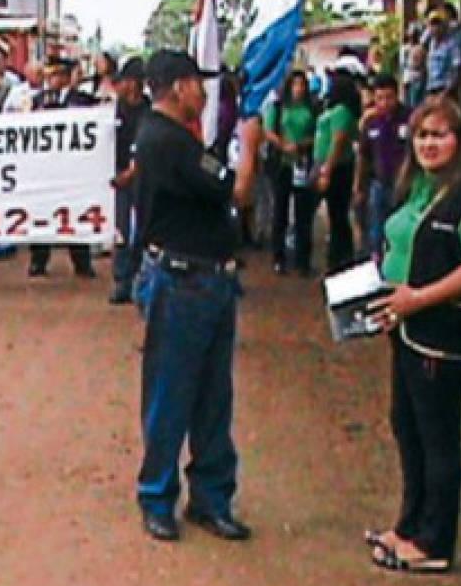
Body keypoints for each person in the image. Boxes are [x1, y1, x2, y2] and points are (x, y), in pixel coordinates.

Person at [367, 96, 461, 573]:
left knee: (437, 436)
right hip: (406, 327)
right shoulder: (420, 187)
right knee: (407, 428)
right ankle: (409, 525)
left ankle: (435, 542)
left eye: (439, 134)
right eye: (422, 134)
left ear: (460, 139)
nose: (429, 144)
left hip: (442, 333)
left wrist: (419, 299)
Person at [131, 50, 260, 543]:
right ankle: (158, 495)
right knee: (173, 394)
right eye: (198, 84)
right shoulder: (166, 143)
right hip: (184, 281)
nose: (204, 94)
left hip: (205, 279)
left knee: (211, 396)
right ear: (179, 86)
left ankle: (209, 497)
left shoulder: (173, 140)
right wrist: (249, 145)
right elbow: (236, 191)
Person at [29, 57, 97, 279]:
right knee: (41, 214)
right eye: (49, 75)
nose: (52, 80)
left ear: (66, 77)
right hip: (45, 168)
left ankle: (81, 262)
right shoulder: (38, 100)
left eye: (56, 75)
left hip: (73, 169)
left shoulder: (83, 100)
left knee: (75, 213)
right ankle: (38, 260)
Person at [263, 71, 317, 276]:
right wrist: (283, 145)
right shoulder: (277, 108)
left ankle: (303, 260)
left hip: (303, 163)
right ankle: (279, 257)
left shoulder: (312, 108)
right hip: (282, 165)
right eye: (295, 85)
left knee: (304, 214)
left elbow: (318, 133)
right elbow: (268, 131)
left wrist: (302, 145)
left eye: (302, 85)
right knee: (280, 212)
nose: (299, 89)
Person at [354, 74, 411, 263]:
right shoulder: (370, 122)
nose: (385, 103)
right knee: (376, 229)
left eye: (389, 97)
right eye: (380, 98)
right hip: (378, 183)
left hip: (404, 185)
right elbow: (363, 155)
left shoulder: (409, 119)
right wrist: (359, 185)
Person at [313, 68, 361, 273]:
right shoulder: (338, 110)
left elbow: (338, 140)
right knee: (336, 215)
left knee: (338, 215)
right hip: (333, 166)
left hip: (338, 168)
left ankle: (339, 260)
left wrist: (327, 170)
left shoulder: (341, 111)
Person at [109, 56, 148, 304]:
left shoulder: (148, 112)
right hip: (118, 179)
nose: (118, 86)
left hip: (143, 179)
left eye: (122, 81)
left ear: (133, 83)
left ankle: (141, 281)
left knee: (145, 230)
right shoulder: (112, 111)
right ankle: (122, 281)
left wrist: (131, 173)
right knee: (121, 231)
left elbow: (148, 148)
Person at [422, 9, 461, 98]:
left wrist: (446, 92)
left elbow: (457, 71)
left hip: (446, 90)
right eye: (432, 24)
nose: (435, 28)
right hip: (431, 89)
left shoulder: (452, 45)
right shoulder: (430, 44)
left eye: (438, 24)